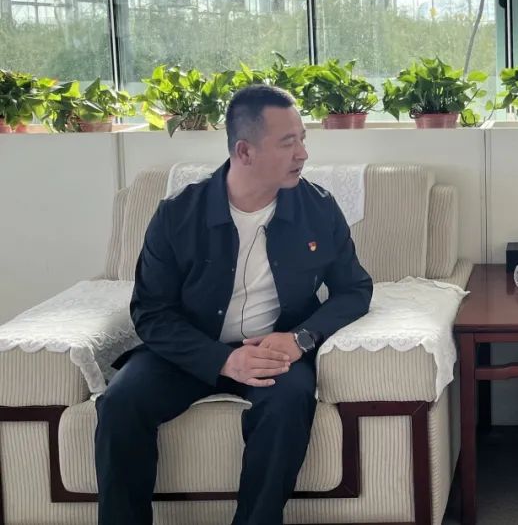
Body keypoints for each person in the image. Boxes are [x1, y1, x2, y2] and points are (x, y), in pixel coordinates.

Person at [95, 85, 374, 525]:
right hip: (189, 350)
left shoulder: (318, 209)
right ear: (244, 151)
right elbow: (150, 312)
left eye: (302, 139)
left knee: (287, 405)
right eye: (288, 142)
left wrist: (301, 339)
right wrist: (223, 361)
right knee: (120, 403)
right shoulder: (177, 215)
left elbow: (354, 289)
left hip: (274, 351)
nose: (303, 153)